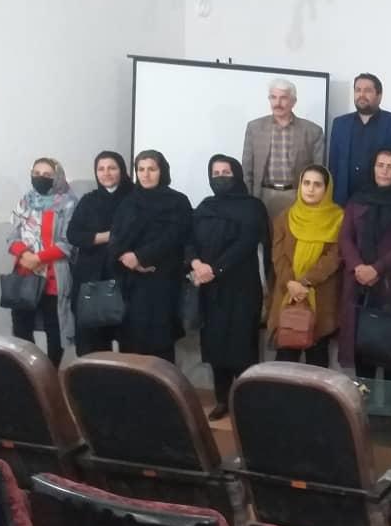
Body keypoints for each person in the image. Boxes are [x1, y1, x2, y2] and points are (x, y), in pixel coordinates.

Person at [187, 155, 270, 420]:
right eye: (216, 173)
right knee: (215, 346)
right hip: (210, 289)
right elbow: (188, 239)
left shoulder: (252, 207)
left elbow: (246, 242)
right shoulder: (205, 206)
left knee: (242, 346)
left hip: (242, 287)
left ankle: (247, 402)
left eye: (226, 172)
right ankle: (222, 399)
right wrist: (196, 263)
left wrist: (215, 269)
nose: (220, 178)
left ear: (237, 175)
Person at [339, 149, 391, 379]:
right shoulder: (358, 199)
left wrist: (377, 268)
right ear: (372, 168)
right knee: (362, 353)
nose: (385, 171)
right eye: (380, 165)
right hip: (358, 285)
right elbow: (345, 237)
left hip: (390, 284)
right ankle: (364, 403)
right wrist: (358, 267)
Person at [109, 150, 192, 362]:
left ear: (162, 171)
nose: (145, 175)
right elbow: (116, 236)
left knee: (160, 342)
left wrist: (141, 257)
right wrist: (127, 258)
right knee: (131, 342)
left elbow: (174, 236)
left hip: (162, 279)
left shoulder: (178, 201)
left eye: (152, 169)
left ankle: (161, 383)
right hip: (131, 282)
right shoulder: (128, 201)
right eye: (141, 169)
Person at [268, 165, 345, 368]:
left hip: (320, 295)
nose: (310, 189)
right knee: (285, 360)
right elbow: (278, 256)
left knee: (317, 361)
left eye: (317, 185)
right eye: (306, 183)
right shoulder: (285, 217)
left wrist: (304, 282)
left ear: (327, 189)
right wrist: (291, 283)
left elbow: (335, 256)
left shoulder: (339, 218)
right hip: (288, 295)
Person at [6, 158, 78, 368]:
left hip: (54, 276)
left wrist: (38, 258)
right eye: (36, 173)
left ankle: (50, 375)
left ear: (57, 177)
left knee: (54, 329)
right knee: (21, 328)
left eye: (47, 175)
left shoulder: (69, 203)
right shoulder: (25, 201)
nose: (41, 178)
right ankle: (29, 373)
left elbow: (68, 242)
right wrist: (25, 256)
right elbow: (12, 237)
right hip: (25, 273)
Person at [67, 151, 133, 356]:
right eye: (101, 169)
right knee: (92, 343)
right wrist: (106, 236)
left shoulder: (135, 198)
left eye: (112, 168)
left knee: (130, 340)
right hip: (92, 278)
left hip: (126, 276)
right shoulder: (89, 200)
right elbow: (73, 234)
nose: (106, 173)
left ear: (122, 170)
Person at [242, 77, 326, 221]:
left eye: (283, 98)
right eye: (273, 97)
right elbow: (247, 169)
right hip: (263, 195)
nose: (277, 103)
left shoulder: (313, 131)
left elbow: (319, 172)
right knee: (264, 234)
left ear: (293, 101)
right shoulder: (254, 128)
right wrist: (248, 199)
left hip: (297, 196)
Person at [328, 73, 391, 206]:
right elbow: (333, 165)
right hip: (345, 202)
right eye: (358, 90)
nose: (361, 95)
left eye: (367, 90)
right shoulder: (340, 124)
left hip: (383, 204)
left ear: (379, 95)